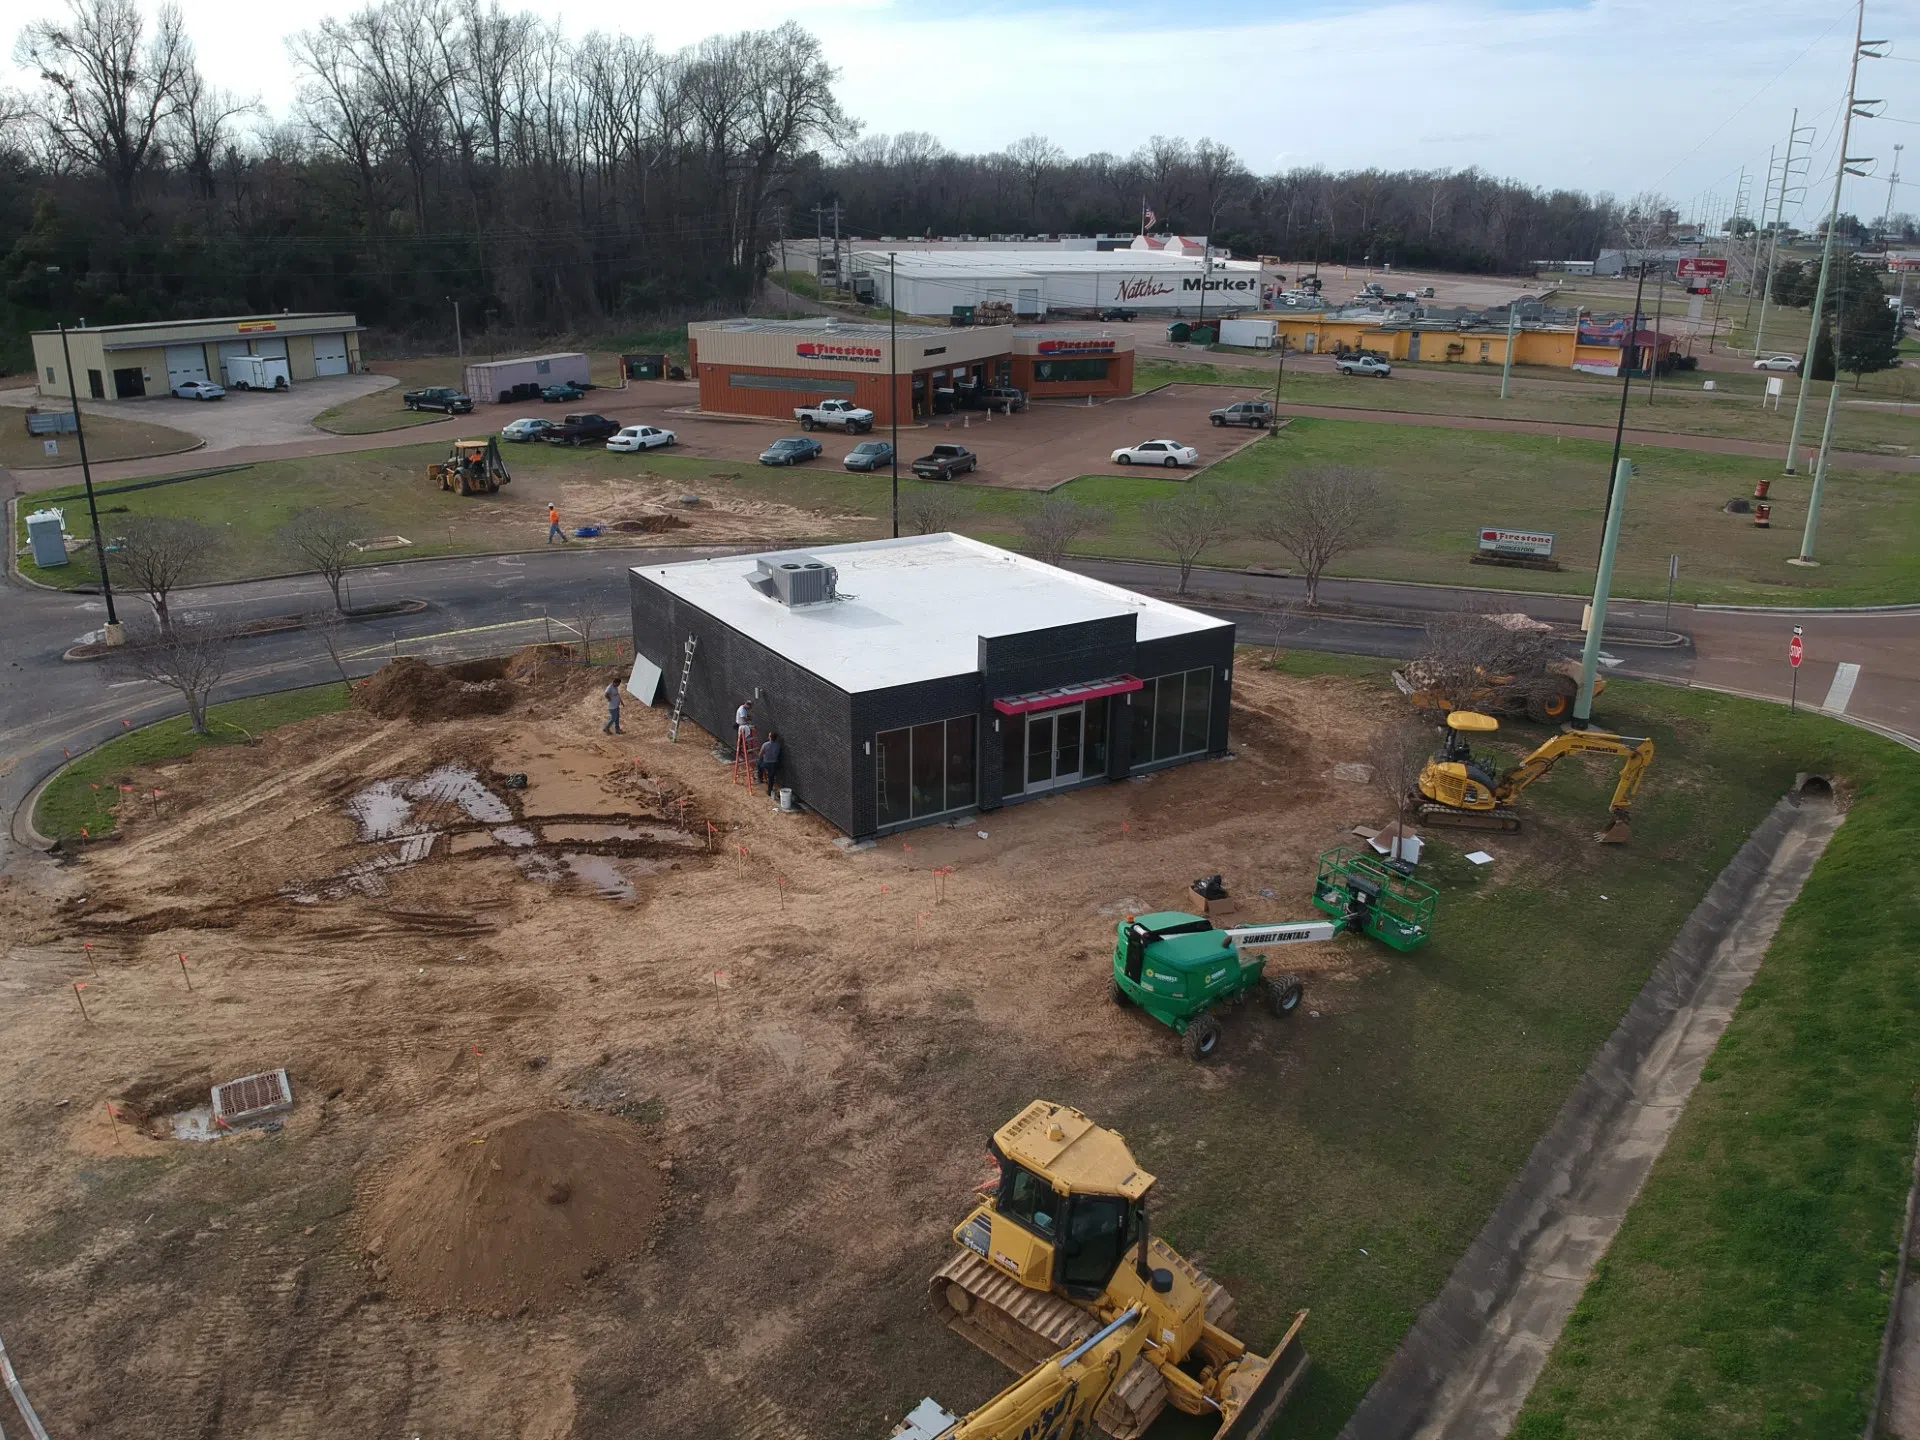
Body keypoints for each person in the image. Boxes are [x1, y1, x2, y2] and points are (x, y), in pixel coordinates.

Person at [756, 732, 784, 797]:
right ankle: (769, 792)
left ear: (770, 737)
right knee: (771, 778)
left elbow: (760, 755)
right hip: (774, 764)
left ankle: (760, 778)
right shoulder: (778, 745)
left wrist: (761, 759)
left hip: (766, 763)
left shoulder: (765, 745)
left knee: (759, 763)